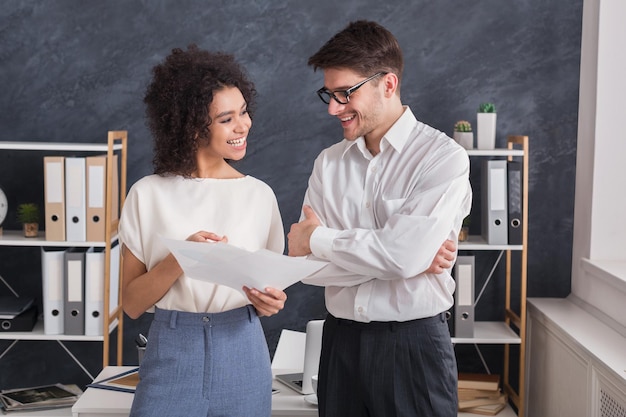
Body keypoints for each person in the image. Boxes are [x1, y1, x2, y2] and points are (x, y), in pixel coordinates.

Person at [288, 20, 472, 417]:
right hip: (340, 347)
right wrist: (402, 260)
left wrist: (321, 240)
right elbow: (305, 268)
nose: (334, 108)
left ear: (387, 85)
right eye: (329, 94)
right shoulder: (329, 163)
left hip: (414, 347)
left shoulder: (442, 159)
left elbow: (395, 257)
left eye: (345, 94)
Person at [119, 44, 287, 417]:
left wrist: (270, 303)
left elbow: (270, 289)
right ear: (193, 125)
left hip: (242, 349)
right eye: (227, 119)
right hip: (172, 351)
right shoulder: (147, 194)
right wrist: (180, 258)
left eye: (243, 112)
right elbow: (131, 305)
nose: (243, 125)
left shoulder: (259, 196)